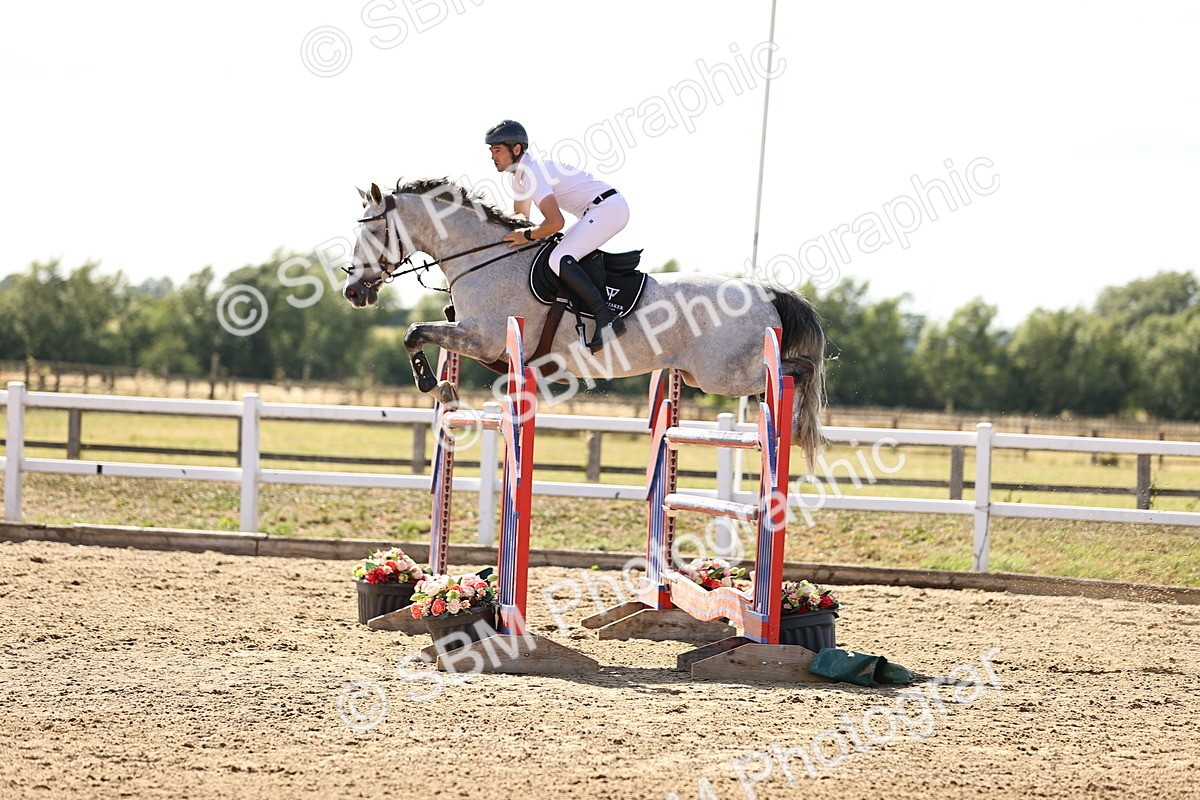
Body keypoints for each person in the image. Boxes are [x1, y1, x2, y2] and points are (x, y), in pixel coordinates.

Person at [486, 119, 629, 351]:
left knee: (558, 258)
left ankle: (606, 317)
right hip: (597, 210)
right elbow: (519, 221)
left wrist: (527, 235)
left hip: (607, 209)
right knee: (555, 254)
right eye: (492, 151)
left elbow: (555, 223)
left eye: (498, 150)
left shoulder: (532, 173)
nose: (493, 156)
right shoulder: (519, 177)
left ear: (517, 149)